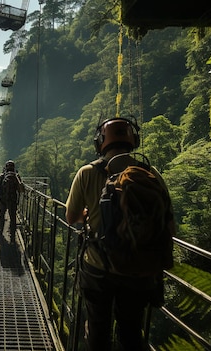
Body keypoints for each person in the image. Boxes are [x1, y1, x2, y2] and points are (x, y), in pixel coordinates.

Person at [65, 117, 172, 351]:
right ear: (133, 139)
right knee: (131, 332)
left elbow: (71, 217)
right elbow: (165, 217)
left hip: (98, 267)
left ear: (101, 142)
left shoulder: (87, 173)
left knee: (97, 330)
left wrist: (88, 214)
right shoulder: (150, 174)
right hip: (139, 266)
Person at [0, 160, 23, 239]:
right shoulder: (16, 176)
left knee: (1, 215)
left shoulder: (2, 176)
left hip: (3, 200)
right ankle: (12, 235)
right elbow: (21, 189)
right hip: (13, 200)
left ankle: (0, 230)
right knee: (13, 217)